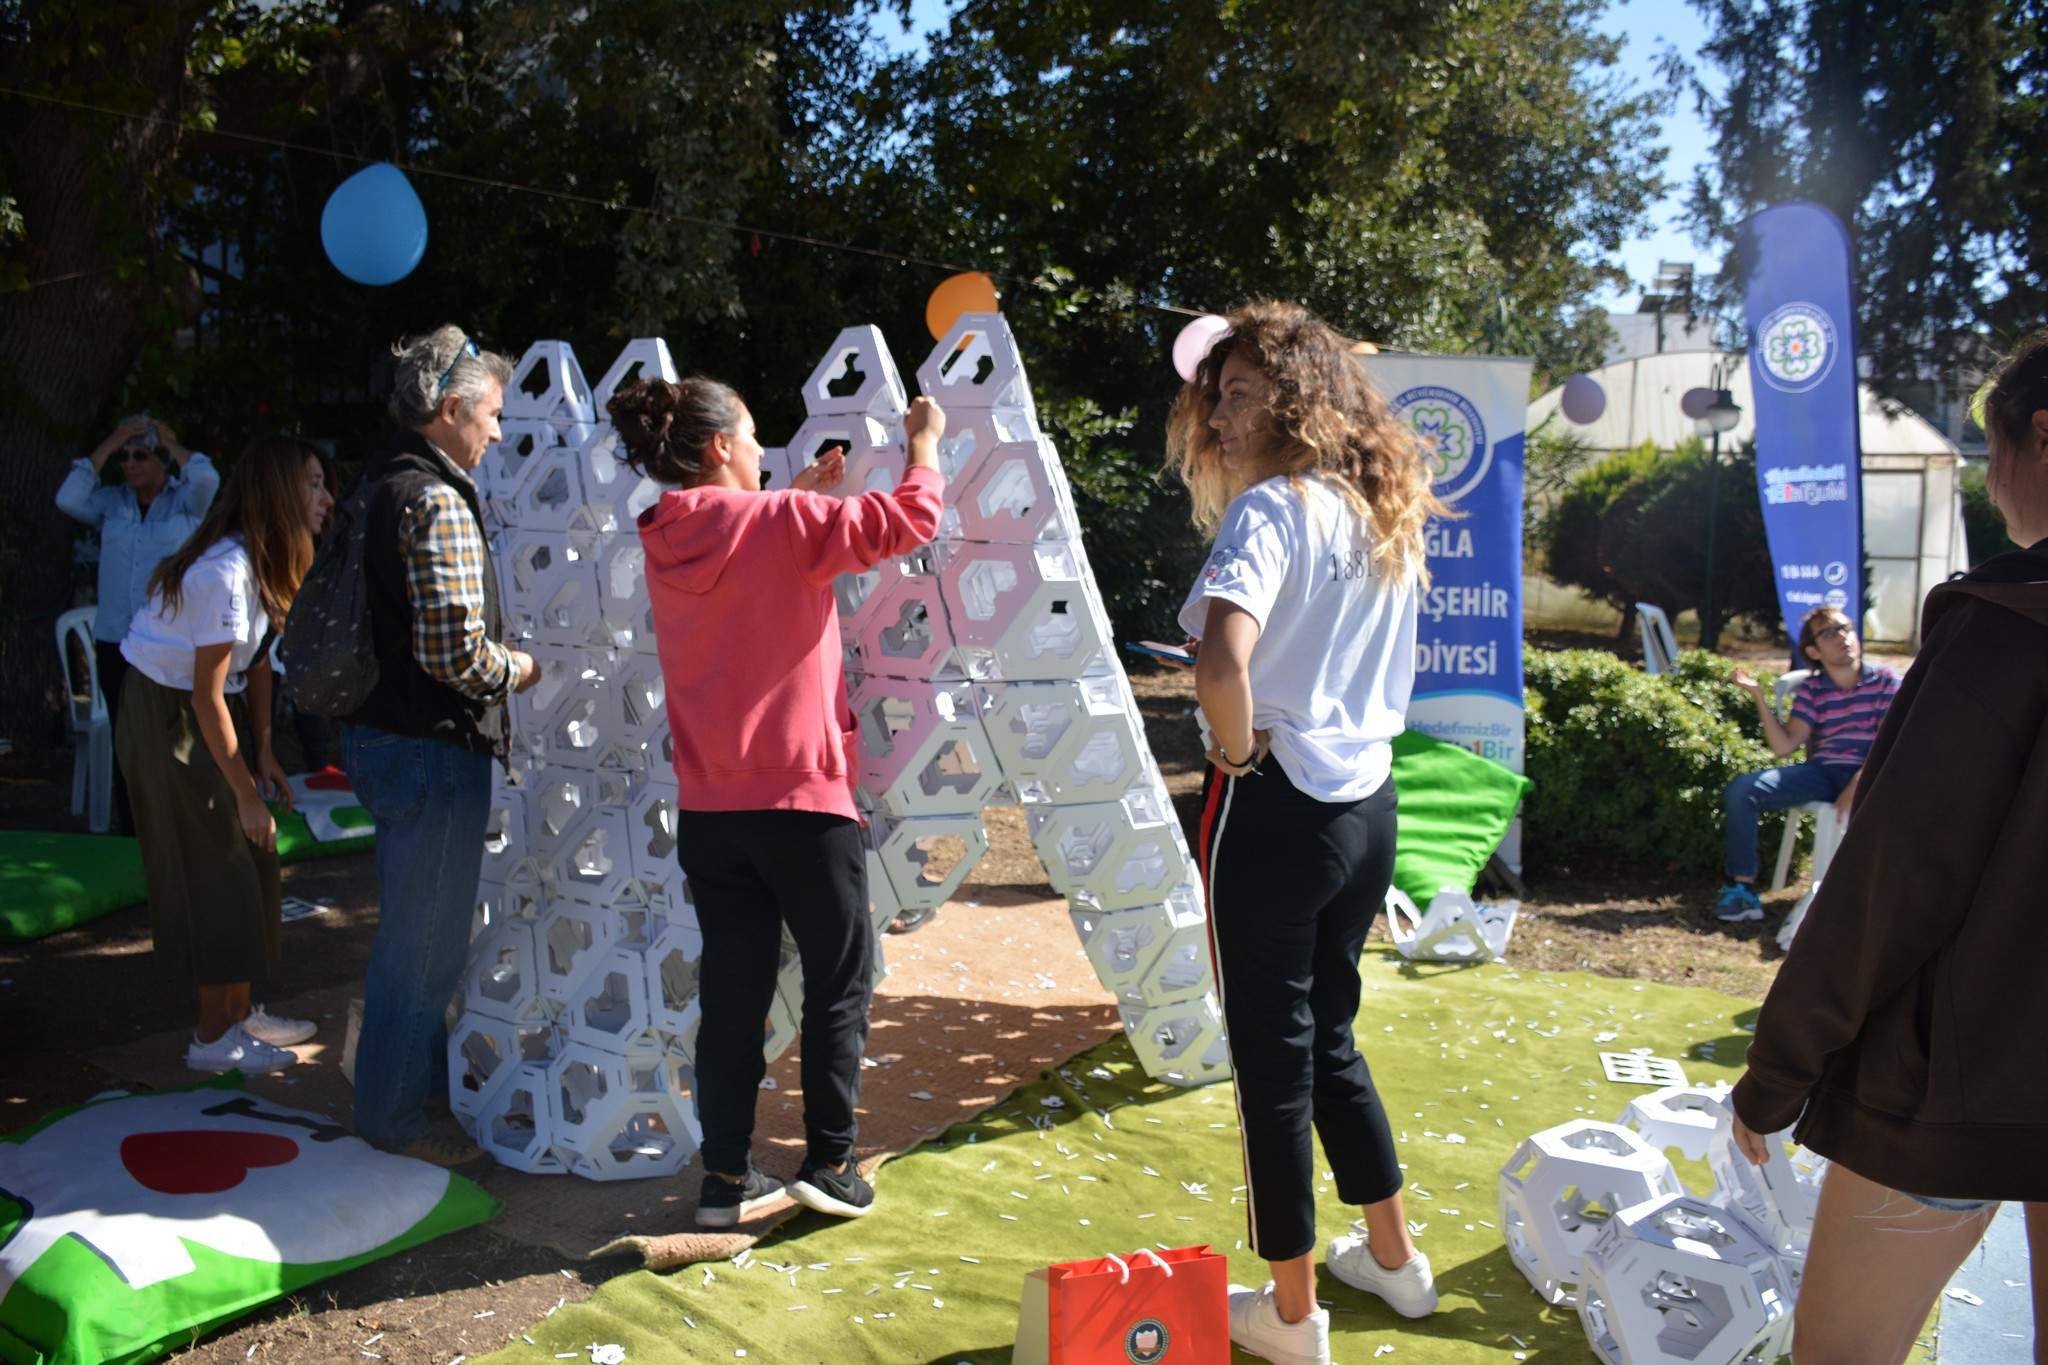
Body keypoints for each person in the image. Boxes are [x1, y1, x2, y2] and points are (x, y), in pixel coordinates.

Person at [1728, 329, 2048, 1365]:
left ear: (2034, 439)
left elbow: (1895, 875)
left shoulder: (2000, 622)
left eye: (1985, 449)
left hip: (1954, 1080)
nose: (1983, 479)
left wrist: (1778, 1069)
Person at [1167, 300, 1444, 1365]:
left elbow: (1219, 663)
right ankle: (1394, 1261)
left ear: (1293, 397)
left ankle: (1289, 1319)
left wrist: (1233, 758)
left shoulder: (1274, 510)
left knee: (1269, 1059)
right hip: (1365, 809)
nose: (1220, 415)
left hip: (1276, 805)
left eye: (1237, 393)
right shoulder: (1376, 509)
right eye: (1215, 396)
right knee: (1329, 1034)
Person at [607, 374, 942, 1229]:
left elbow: (738, 560)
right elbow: (907, 521)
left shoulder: (666, 536)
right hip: (803, 797)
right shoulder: (784, 525)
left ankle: (725, 1178)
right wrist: (925, 445)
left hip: (712, 811)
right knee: (840, 976)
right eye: (754, 434)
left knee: (733, 992)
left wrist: (791, 501)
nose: (764, 449)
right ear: (721, 446)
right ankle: (832, 1161)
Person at [340, 327, 539, 1164]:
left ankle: (414, 1093)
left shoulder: (378, 481)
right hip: (430, 745)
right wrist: (520, 668)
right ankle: (392, 1120)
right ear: (451, 409)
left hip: (380, 734)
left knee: (409, 929)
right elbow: (455, 653)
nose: (497, 430)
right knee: (423, 946)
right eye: (491, 414)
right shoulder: (438, 499)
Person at [115, 437, 330, 1073]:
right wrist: (241, 793)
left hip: (209, 705)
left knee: (253, 860)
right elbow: (206, 695)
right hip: (168, 713)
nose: (326, 498)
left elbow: (257, 663)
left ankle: (240, 1012)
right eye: (314, 484)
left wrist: (263, 751)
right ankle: (212, 1038)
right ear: (281, 494)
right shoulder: (224, 572)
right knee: (216, 862)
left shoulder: (264, 562)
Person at [56, 415, 220, 832]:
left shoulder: (185, 502)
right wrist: (111, 441)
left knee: (172, 737)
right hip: (117, 641)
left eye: (140, 456)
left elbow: (206, 480)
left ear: (162, 461)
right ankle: (131, 829)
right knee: (124, 739)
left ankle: (177, 827)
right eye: (125, 457)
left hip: (167, 644)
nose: (129, 464)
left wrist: (171, 441)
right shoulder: (112, 502)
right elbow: (68, 497)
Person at [1715, 606, 1900, 923]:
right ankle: (1741, 890)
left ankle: (1881, 903)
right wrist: (1758, 696)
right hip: (1822, 774)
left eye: (1845, 628)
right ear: (1814, 650)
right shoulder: (1814, 689)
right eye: (1829, 633)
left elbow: (1890, 746)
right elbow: (1784, 746)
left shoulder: (1885, 681)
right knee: (1742, 790)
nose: (1842, 637)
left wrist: (1856, 785)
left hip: (1874, 776)